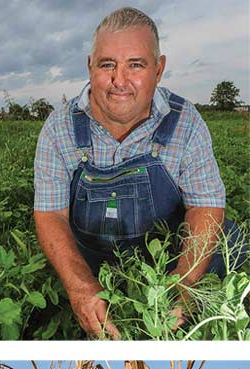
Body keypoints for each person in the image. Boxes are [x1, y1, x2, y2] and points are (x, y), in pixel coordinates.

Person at [33, 7, 247, 337]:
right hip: (95, 262)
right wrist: (80, 287)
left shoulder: (184, 122)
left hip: (166, 256)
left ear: (158, 70)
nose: (119, 80)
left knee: (228, 238)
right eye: (107, 65)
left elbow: (205, 205)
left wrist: (185, 282)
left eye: (135, 65)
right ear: (90, 67)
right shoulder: (60, 128)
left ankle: (187, 316)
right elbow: (51, 215)